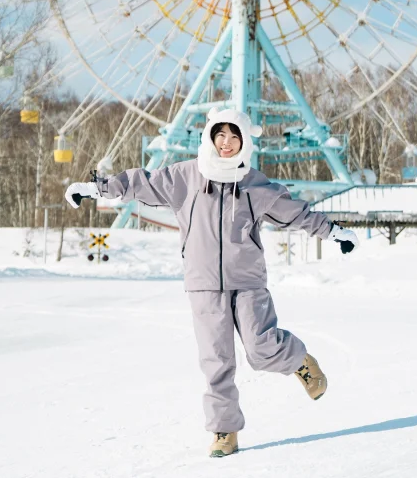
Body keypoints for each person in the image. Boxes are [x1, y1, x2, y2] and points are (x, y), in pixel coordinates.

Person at [65, 107, 359, 458]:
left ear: (244, 141)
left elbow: (296, 213)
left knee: (262, 348)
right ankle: (224, 431)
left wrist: (334, 231)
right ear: (210, 137)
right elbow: (138, 182)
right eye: (221, 135)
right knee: (216, 361)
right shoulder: (184, 177)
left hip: (248, 281)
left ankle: (300, 362)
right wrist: (96, 188)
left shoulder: (254, 183)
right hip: (203, 283)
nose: (227, 143)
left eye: (234, 136)